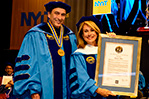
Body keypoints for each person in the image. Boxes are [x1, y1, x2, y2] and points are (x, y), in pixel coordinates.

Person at [13, 1, 77, 99]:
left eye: (63, 15)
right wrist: (34, 90)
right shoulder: (35, 34)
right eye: (56, 13)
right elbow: (29, 64)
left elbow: (75, 65)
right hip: (43, 92)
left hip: (67, 93)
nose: (59, 18)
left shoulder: (70, 36)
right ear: (48, 14)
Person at [69, 16, 118, 99]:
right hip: (89, 96)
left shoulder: (106, 49)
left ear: (97, 32)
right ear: (82, 34)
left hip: (110, 95)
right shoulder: (78, 55)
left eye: (92, 30)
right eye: (86, 31)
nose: (89, 34)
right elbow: (82, 78)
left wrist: (114, 42)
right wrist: (98, 90)